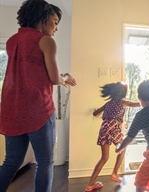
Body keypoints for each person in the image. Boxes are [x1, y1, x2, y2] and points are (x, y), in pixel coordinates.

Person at [0, 0, 77, 192]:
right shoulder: (46, 41)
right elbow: (53, 78)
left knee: (10, 162)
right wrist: (65, 77)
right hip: (38, 111)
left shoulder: (12, 41)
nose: (56, 28)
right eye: (54, 21)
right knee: (45, 162)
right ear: (42, 20)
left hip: (12, 110)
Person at [85, 82, 140, 192]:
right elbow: (138, 104)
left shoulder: (108, 104)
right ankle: (114, 172)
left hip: (104, 128)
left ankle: (90, 184)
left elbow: (95, 113)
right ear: (123, 93)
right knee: (122, 148)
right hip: (114, 128)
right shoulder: (123, 102)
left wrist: (97, 111)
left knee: (104, 157)